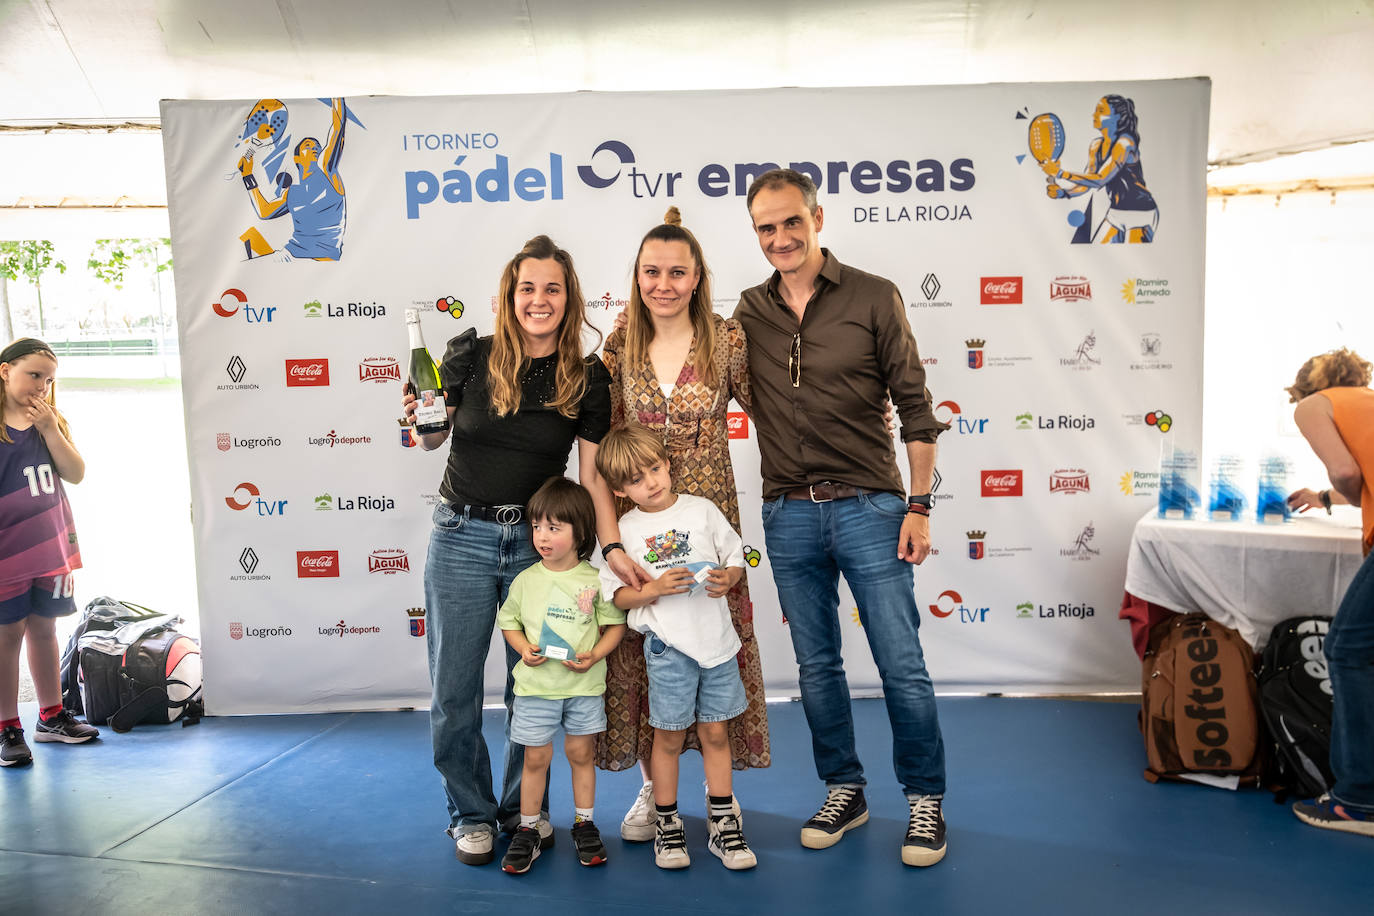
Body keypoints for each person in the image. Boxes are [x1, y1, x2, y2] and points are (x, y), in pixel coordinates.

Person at [402, 235, 647, 866]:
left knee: (530, 691)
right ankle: (470, 814)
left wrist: (613, 547)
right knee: (454, 690)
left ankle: (521, 815)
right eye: (527, 288)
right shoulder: (470, 355)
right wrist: (417, 418)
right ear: (509, 296)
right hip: (460, 537)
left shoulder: (587, 377)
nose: (539, 300)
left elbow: (591, 480)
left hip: (540, 553)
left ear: (569, 299)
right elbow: (428, 440)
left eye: (552, 289)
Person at [733, 168, 949, 867]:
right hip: (788, 515)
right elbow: (690, 367)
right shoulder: (746, 312)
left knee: (901, 663)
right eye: (766, 227)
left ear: (817, 218)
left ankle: (924, 801)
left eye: (791, 222)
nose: (780, 237)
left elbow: (916, 409)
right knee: (816, 667)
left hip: (871, 508)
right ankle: (844, 789)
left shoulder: (873, 296)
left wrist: (918, 505)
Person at [598, 206, 769, 843]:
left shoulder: (727, 339)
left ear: (697, 277)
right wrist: (611, 537)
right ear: (636, 276)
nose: (663, 283)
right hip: (641, 524)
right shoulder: (618, 344)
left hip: (710, 518)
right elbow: (601, 444)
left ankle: (720, 799)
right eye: (651, 271)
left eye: (677, 272)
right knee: (650, 652)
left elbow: (774, 410)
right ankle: (654, 789)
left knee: (715, 643)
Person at [595, 424, 757, 870]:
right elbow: (618, 597)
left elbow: (735, 557)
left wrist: (730, 577)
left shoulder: (702, 510)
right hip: (668, 650)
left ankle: (723, 821)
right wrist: (654, 589)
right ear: (618, 489)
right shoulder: (623, 532)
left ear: (668, 463)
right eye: (635, 479)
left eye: (654, 468)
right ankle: (667, 824)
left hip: (718, 646)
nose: (651, 482)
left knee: (716, 733)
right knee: (665, 738)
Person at [496, 477, 627, 874]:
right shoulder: (525, 579)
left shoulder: (595, 579)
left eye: (554, 528)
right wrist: (522, 649)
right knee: (535, 758)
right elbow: (510, 622)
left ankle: (584, 824)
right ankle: (529, 829)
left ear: (581, 532)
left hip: (584, 688)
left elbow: (614, 626)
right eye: (537, 526)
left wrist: (594, 656)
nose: (542, 536)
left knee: (580, 754)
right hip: (536, 690)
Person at [1284, 347, 1374, 837]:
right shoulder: (1368, 402)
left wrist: (1335, 489)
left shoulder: (1314, 405)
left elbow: (1345, 473)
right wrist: (1323, 500)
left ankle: (1358, 800)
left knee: (1347, 648)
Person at [0, 338, 97, 767]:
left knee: (45, 630)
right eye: (33, 375)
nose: (41, 386)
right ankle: (7, 727)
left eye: (49, 379)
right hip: (7, 554)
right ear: (5, 371)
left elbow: (75, 473)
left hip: (52, 547)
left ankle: (52, 717)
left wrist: (50, 430)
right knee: (6, 638)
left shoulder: (50, 420)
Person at [236, 97, 348, 261]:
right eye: (308, 146)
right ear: (297, 159)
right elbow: (264, 212)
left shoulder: (328, 173)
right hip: (291, 255)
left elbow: (338, 127)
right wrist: (247, 176)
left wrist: (337, 95)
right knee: (248, 239)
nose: (315, 148)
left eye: (317, 146)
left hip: (324, 259)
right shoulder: (292, 193)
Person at [1042, 94, 1159, 244]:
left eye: (1101, 111)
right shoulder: (1095, 146)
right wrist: (1064, 193)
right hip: (1116, 213)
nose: (1094, 115)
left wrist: (1061, 173)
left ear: (1118, 117)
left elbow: (1100, 180)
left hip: (1141, 213)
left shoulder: (1125, 143)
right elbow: (1087, 183)